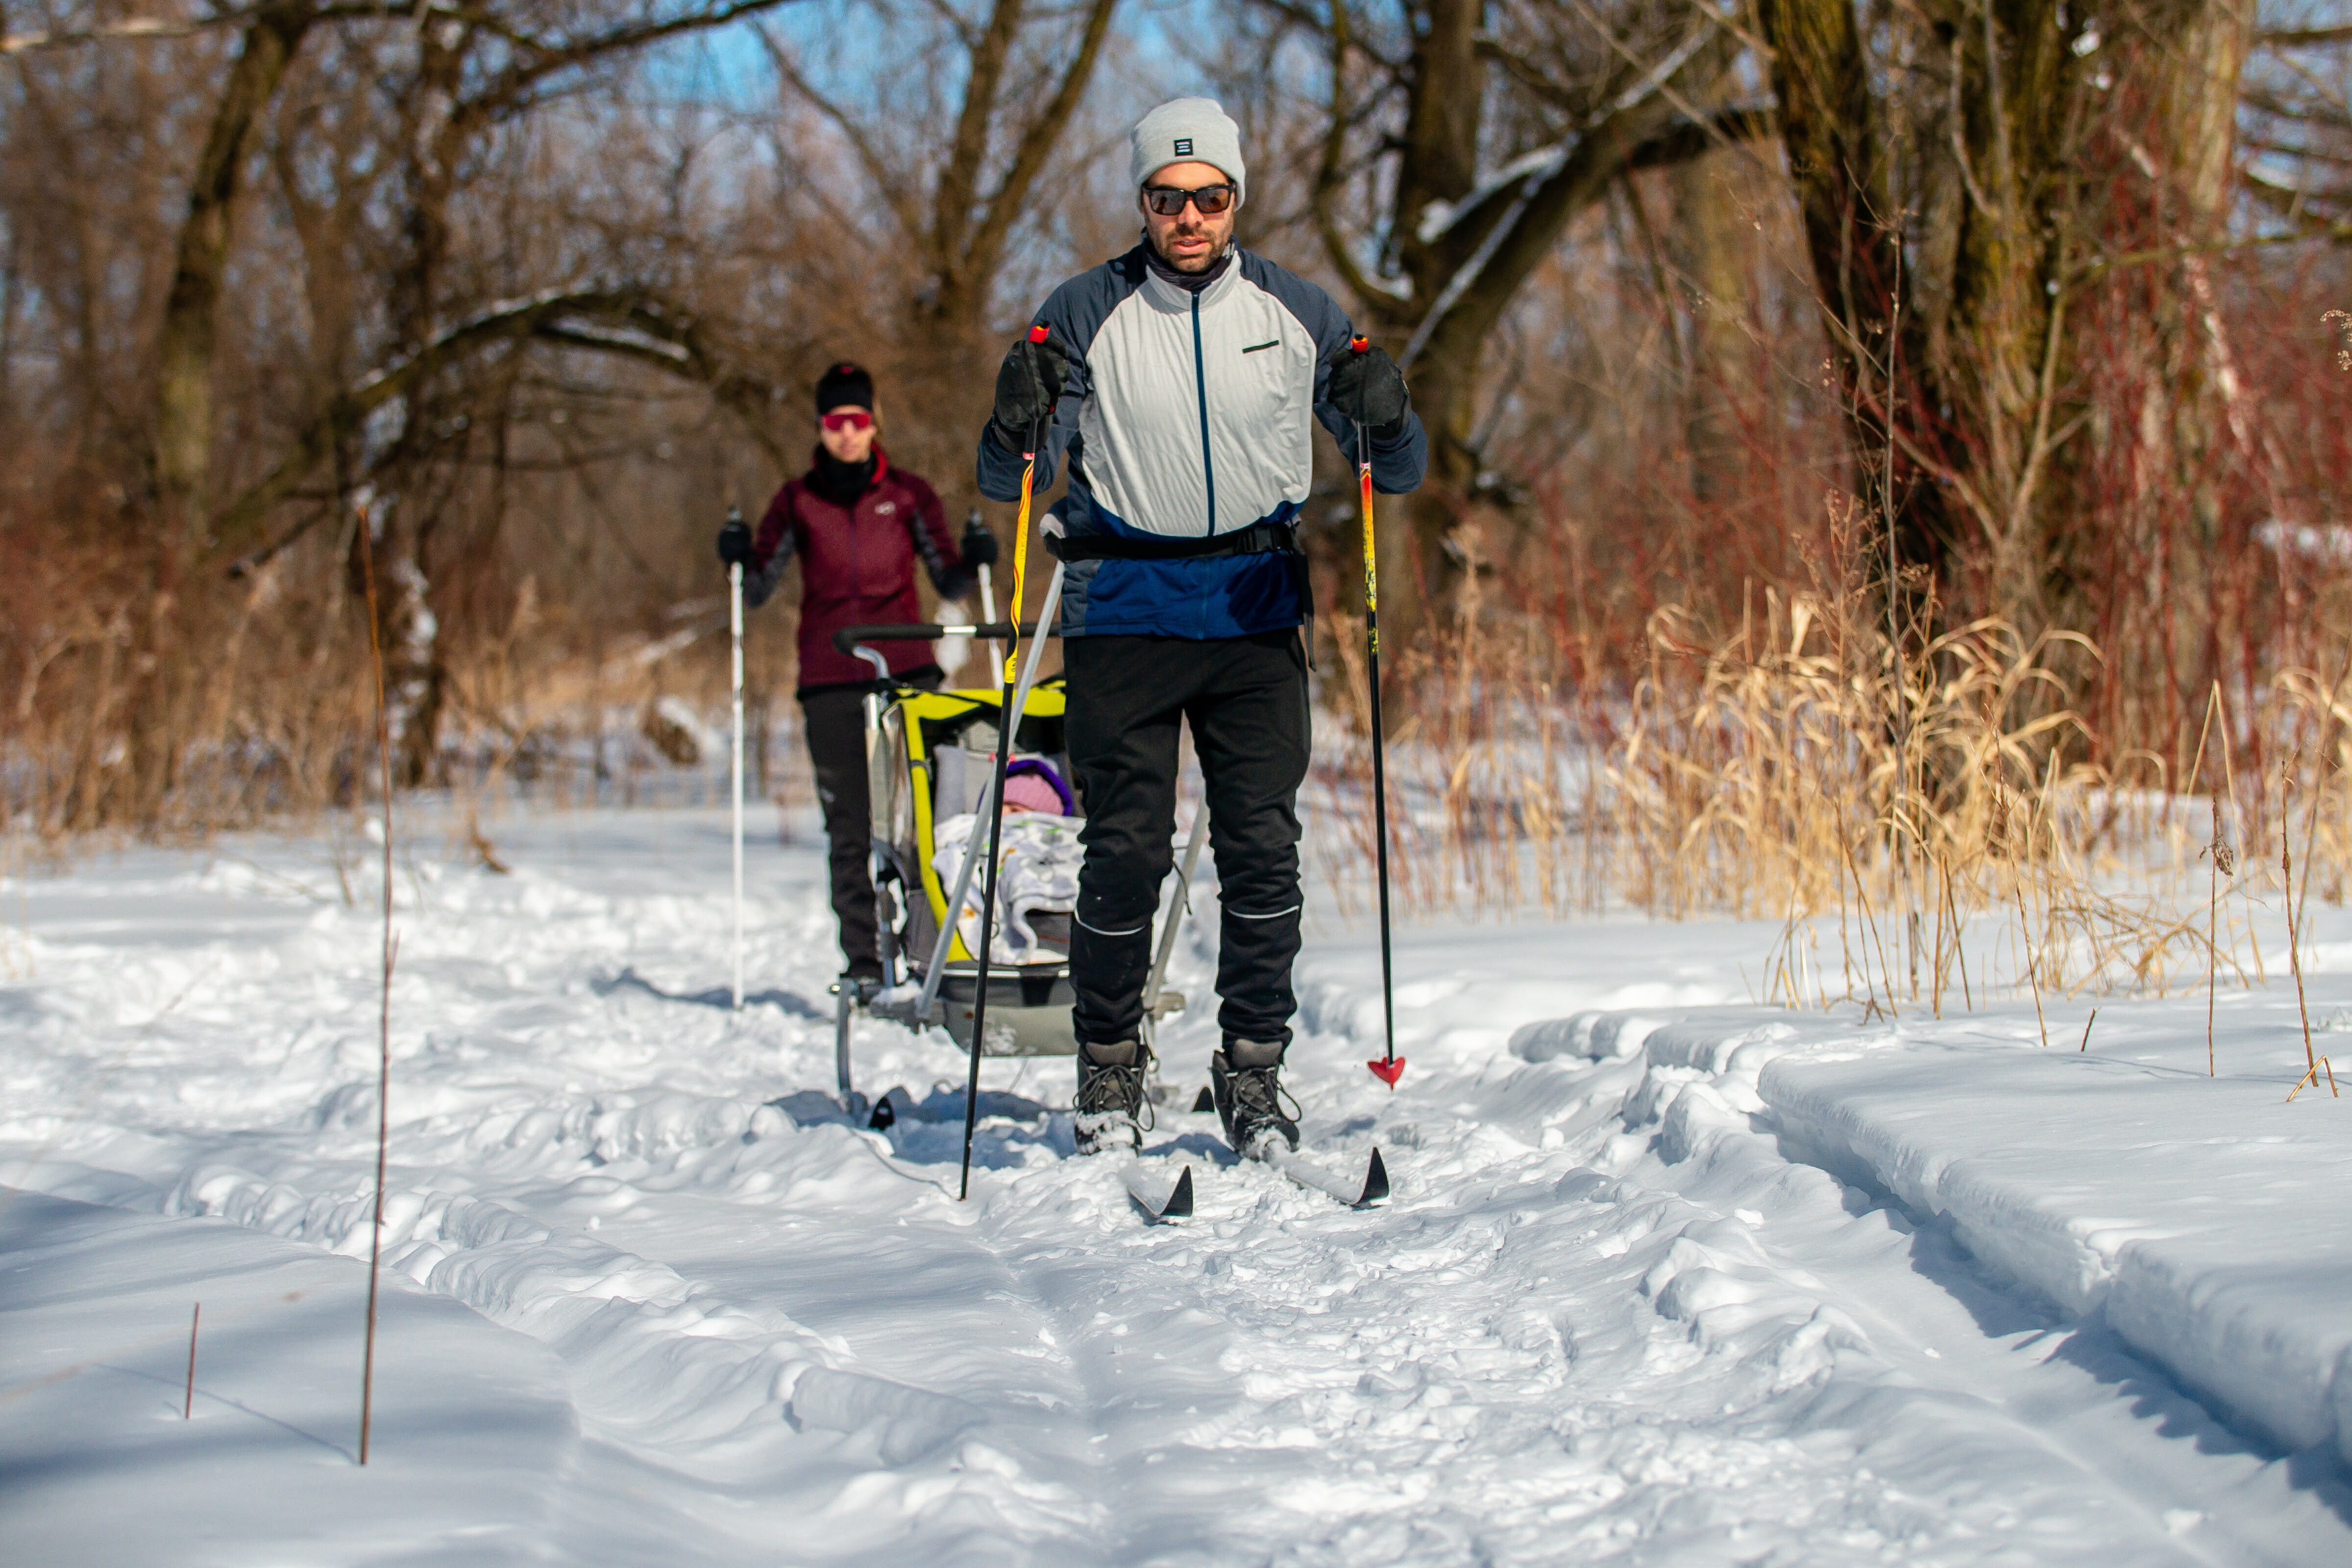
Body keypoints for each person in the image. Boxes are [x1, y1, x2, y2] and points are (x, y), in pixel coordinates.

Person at [975, 99, 1426, 1157]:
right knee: (1124, 853)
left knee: (1264, 851)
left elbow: (1392, 471)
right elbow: (1009, 478)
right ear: (1142, 202)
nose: (1190, 216)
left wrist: (1388, 409)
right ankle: (1109, 1064)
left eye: (1210, 197)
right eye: (1168, 198)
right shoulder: (1084, 308)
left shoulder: (1294, 308)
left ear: (1235, 200)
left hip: (1253, 609)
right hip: (1123, 610)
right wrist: (1012, 414)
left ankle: (1253, 1071)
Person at [720, 361, 999, 991]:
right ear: (821, 428)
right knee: (848, 823)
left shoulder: (908, 494)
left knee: (920, 814)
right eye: (835, 421)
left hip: (905, 671)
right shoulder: (797, 500)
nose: (848, 432)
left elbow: (950, 578)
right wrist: (738, 555)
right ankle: (865, 959)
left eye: (858, 419)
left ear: (874, 422)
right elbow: (758, 586)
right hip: (830, 675)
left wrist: (975, 558)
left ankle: (935, 943)